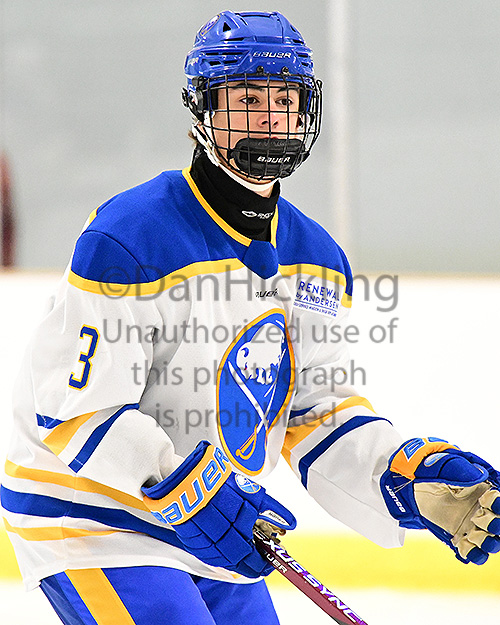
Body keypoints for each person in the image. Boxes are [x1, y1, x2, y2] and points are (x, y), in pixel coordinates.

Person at [1, 10, 499, 625]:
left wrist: (405, 476)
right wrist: (184, 485)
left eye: (284, 100)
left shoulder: (317, 260)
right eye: (246, 99)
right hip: (92, 517)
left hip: (212, 527)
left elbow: (315, 415)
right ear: (202, 109)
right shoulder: (130, 236)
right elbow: (75, 408)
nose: (269, 118)